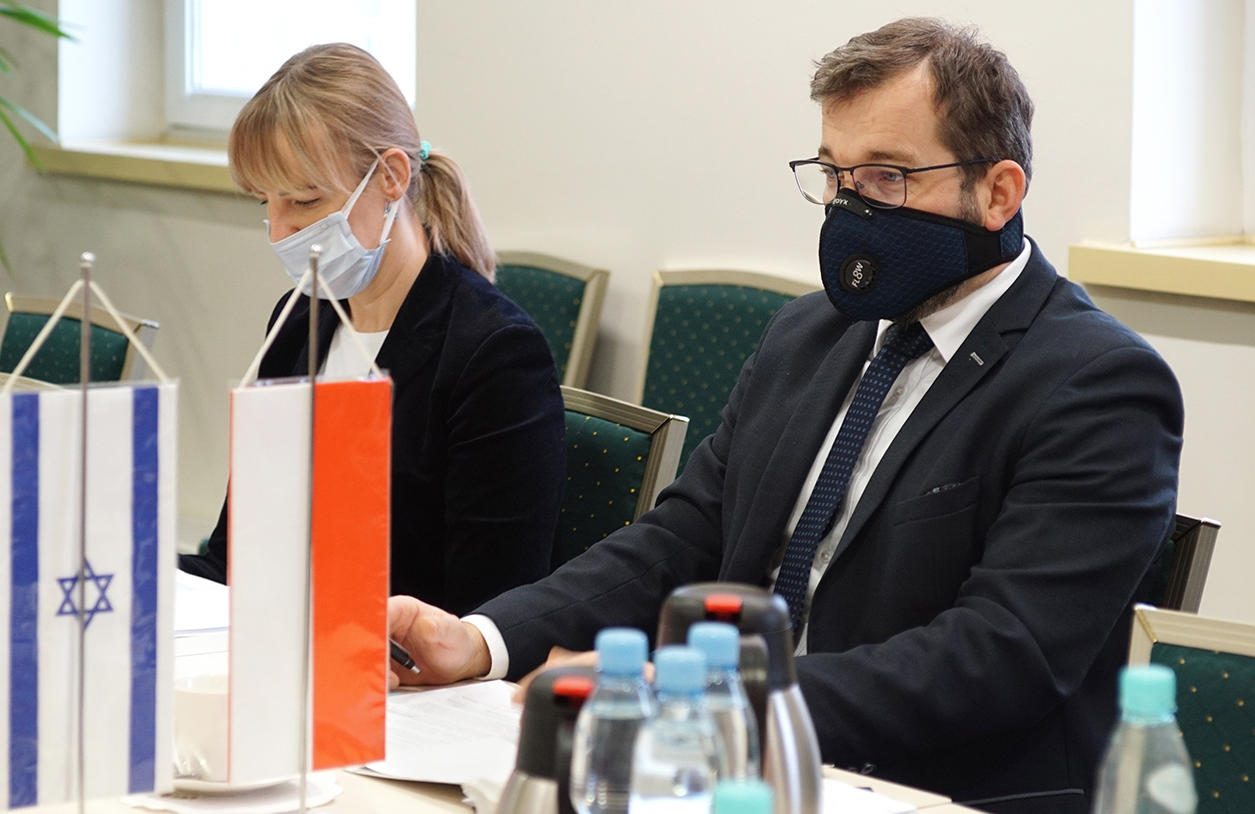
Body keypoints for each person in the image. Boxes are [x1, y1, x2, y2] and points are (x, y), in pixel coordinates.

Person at [386, 18, 1183, 814]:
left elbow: (1001, 655)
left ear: (999, 192)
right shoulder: (811, 332)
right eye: (835, 175)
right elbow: (683, 536)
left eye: (887, 177)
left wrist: (705, 695)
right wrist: (483, 639)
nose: (850, 207)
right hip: (724, 770)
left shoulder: (1097, 384)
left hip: (925, 788)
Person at [180, 43, 566, 617]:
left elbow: (484, 615)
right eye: (266, 203)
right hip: (286, 643)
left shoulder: (494, 353)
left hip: (402, 662)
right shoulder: (299, 321)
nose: (278, 232)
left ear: (390, 177)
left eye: (304, 200)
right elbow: (233, 560)